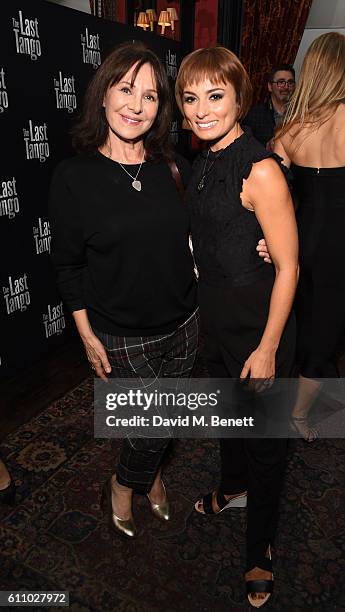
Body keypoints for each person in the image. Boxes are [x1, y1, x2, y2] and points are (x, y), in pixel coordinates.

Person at [49, 41, 200, 539]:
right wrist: (87, 336)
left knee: (166, 416)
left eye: (151, 96)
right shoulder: (74, 177)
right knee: (148, 425)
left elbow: (196, 237)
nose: (137, 105)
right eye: (126, 89)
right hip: (121, 334)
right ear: (103, 94)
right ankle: (123, 483)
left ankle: (150, 476)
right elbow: (68, 264)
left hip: (185, 322)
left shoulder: (171, 166)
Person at [175, 47, 298, 608]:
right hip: (218, 321)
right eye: (190, 98)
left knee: (266, 440)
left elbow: (291, 266)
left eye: (215, 96)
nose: (200, 110)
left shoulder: (262, 168)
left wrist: (270, 346)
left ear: (240, 98)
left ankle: (260, 548)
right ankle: (233, 487)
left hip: (258, 324)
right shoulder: (200, 165)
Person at [274, 32, 345, 441]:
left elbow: (268, 192)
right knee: (326, 331)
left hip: (299, 240)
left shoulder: (291, 129)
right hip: (339, 245)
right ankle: (299, 414)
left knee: (298, 320)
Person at [243, 64, 295, 148]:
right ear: (270, 86)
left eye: (290, 82)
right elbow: (243, 147)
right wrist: (265, 147)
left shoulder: (300, 115)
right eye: (281, 82)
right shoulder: (254, 115)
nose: (286, 87)